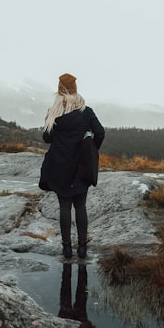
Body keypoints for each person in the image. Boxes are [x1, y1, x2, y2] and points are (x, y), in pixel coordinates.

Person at [38, 73, 105, 259]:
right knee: (81, 206)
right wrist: (91, 149)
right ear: (75, 88)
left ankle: (66, 249)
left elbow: (47, 138)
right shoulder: (86, 111)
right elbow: (100, 132)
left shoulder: (54, 111)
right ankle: (82, 248)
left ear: (59, 88)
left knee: (64, 206)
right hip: (81, 165)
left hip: (59, 164)